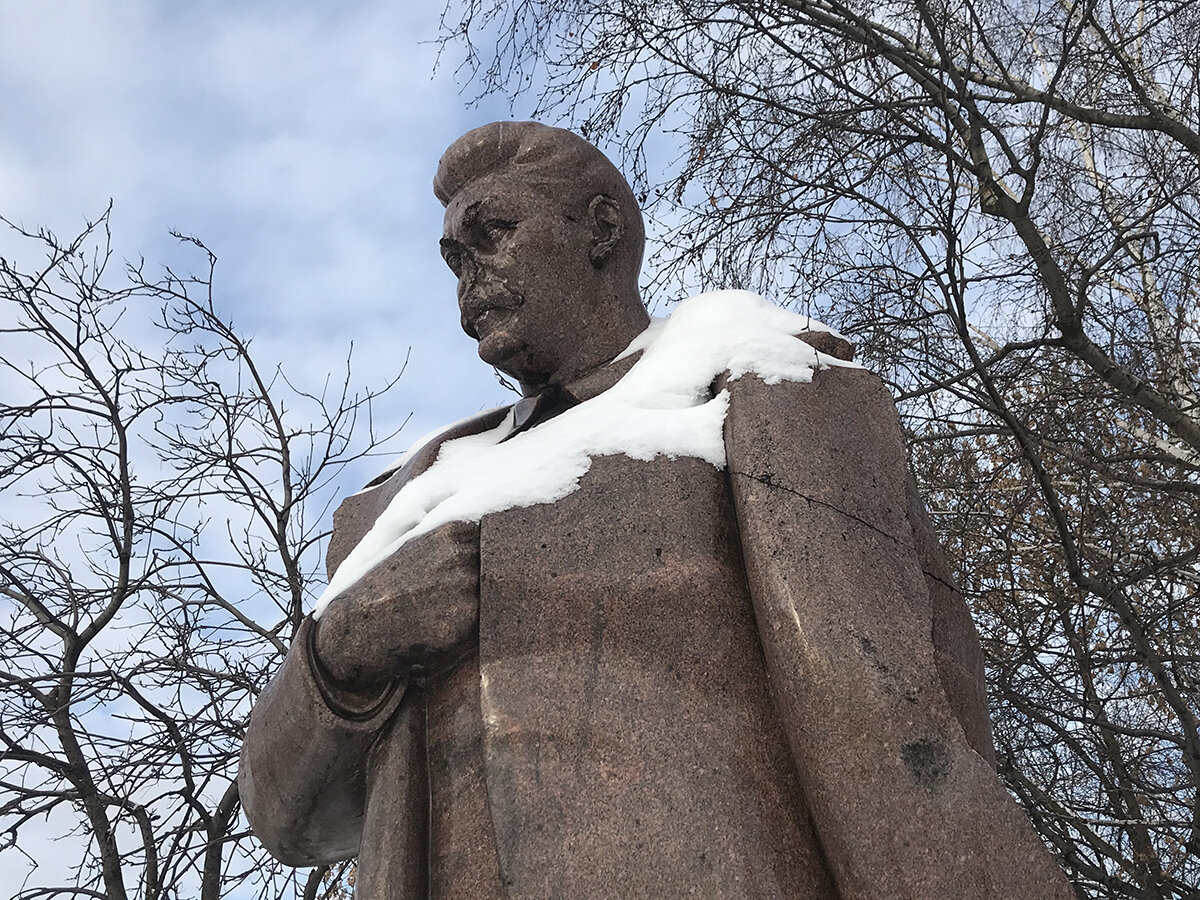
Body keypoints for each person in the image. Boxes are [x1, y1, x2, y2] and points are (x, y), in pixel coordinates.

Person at [239, 121, 1072, 899]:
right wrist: (341, 650)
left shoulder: (758, 396)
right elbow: (288, 822)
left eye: (493, 234)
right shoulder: (394, 511)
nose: (470, 278)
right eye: (454, 258)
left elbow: (892, 719)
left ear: (601, 229)